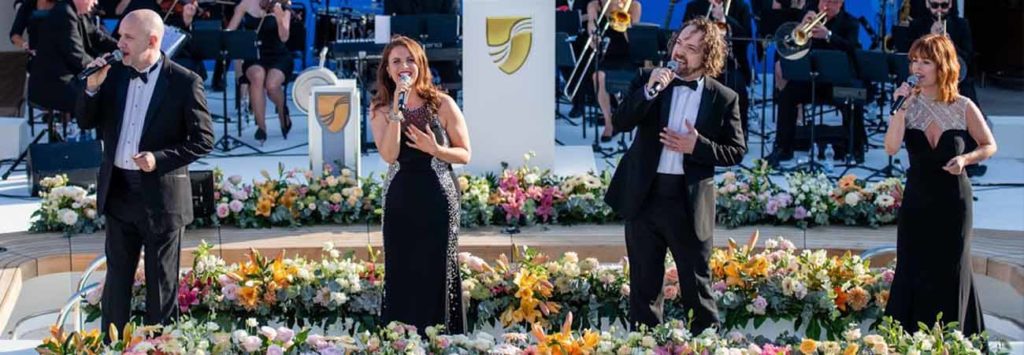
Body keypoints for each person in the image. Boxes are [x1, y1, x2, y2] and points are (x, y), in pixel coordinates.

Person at [75, 9, 214, 334]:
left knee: (161, 291)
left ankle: (160, 348)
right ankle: (112, 347)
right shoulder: (114, 74)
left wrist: (159, 158)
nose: (118, 42)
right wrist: (92, 89)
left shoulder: (184, 81)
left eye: (127, 37)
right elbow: (85, 120)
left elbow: (204, 140)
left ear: (152, 41)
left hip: (161, 199)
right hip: (119, 192)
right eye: (120, 35)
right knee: (116, 287)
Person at [604, 18, 745, 333]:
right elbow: (621, 121)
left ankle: (708, 346)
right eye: (679, 43)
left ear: (706, 57)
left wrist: (697, 145)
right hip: (645, 198)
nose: (680, 52)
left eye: (691, 48)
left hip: (687, 204)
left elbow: (735, 151)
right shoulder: (647, 78)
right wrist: (649, 92)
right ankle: (644, 347)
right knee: (643, 290)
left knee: (698, 290)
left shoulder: (723, 97)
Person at [882, 34, 996, 337]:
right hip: (917, 200)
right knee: (912, 267)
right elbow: (891, 147)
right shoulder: (907, 104)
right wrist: (901, 109)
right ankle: (908, 341)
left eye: (925, 61)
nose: (917, 67)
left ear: (942, 66)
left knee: (952, 270)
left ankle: (954, 340)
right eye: (914, 61)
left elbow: (989, 145)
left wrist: (966, 159)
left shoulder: (963, 106)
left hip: (953, 200)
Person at [370, 35, 472, 334]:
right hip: (401, 198)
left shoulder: (443, 104)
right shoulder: (381, 109)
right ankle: (402, 341)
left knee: (437, 268)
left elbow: (465, 153)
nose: (404, 66)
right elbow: (389, 155)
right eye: (397, 61)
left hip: (438, 196)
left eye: (410, 59)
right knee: (402, 269)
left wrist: (436, 149)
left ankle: (443, 339)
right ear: (388, 70)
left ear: (421, 64)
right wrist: (396, 111)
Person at [767, 0, 864, 166]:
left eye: (831, 2)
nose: (825, 6)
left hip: (837, 84)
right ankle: (783, 148)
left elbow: (853, 50)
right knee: (787, 95)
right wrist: (800, 28)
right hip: (811, 82)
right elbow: (788, 49)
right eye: (822, 1)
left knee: (855, 96)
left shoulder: (850, 23)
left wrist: (828, 36)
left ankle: (855, 148)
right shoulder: (808, 20)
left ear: (840, 4)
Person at [29, 0, 117, 113]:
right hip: (55, 84)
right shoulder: (63, 13)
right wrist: (102, 68)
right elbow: (77, 56)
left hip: (69, 77)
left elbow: (98, 38)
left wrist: (121, 47)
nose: (95, 2)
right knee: (100, 100)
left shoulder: (79, 12)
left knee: (105, 92)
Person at [683, 0, 753, 142]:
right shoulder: (694, 6)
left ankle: (737, 137)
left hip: (731, 64)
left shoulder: (741, 7)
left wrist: (724, 20)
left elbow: (747, 37)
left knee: (738, 89)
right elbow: (684, 35)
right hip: (701, 64)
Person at [226, 0, 293, 144]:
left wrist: (279, 17)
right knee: (257, 76)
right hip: (254, 54)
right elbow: (230, 31)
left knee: (272, 86)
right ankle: (261, 127)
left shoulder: (283, 3)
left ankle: (282, 110)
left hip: (278, 55)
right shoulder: (245, 3)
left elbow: (284, 37)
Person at [587, 0, 641, 142]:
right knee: (597, 77)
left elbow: (633, 40)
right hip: (607, 54)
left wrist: (623, 18)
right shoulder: (595, 5)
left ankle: (622, 115)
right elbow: (591, 28)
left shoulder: (634, 6)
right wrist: (594, 37)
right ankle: (609, 122)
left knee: (624, 83)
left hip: (628, 56)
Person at [112, 0, 208, 79]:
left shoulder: (178, 8)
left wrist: (186, 22)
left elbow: (185, 43)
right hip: (143, 54)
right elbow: (119, 33)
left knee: (195, 64)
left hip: (170, 55)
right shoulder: (140, 4)